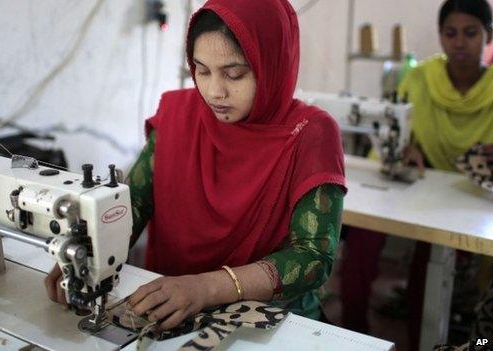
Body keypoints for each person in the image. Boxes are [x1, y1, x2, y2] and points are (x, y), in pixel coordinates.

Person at [45, 0, 347, 331]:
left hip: (271, 321)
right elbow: (133, 205)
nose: (215, 91)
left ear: (273, 63)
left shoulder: (311, 132)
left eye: (235, 74)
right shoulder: (178, 116)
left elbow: (312, 258)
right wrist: (87, 256)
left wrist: (205, 287)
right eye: (202, 71)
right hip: (169, 305)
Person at [341, 0, 493, 349]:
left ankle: (421, 343)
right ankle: (351, 336)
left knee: (431, 270)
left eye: (470, 33)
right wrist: (406, 149)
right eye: (450, 33)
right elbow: (396, 130)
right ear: (440, 37)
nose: (459, 42)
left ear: (488, 36)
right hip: (418, 185)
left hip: (467, 201)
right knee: (361, 243)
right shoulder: (420, 78)